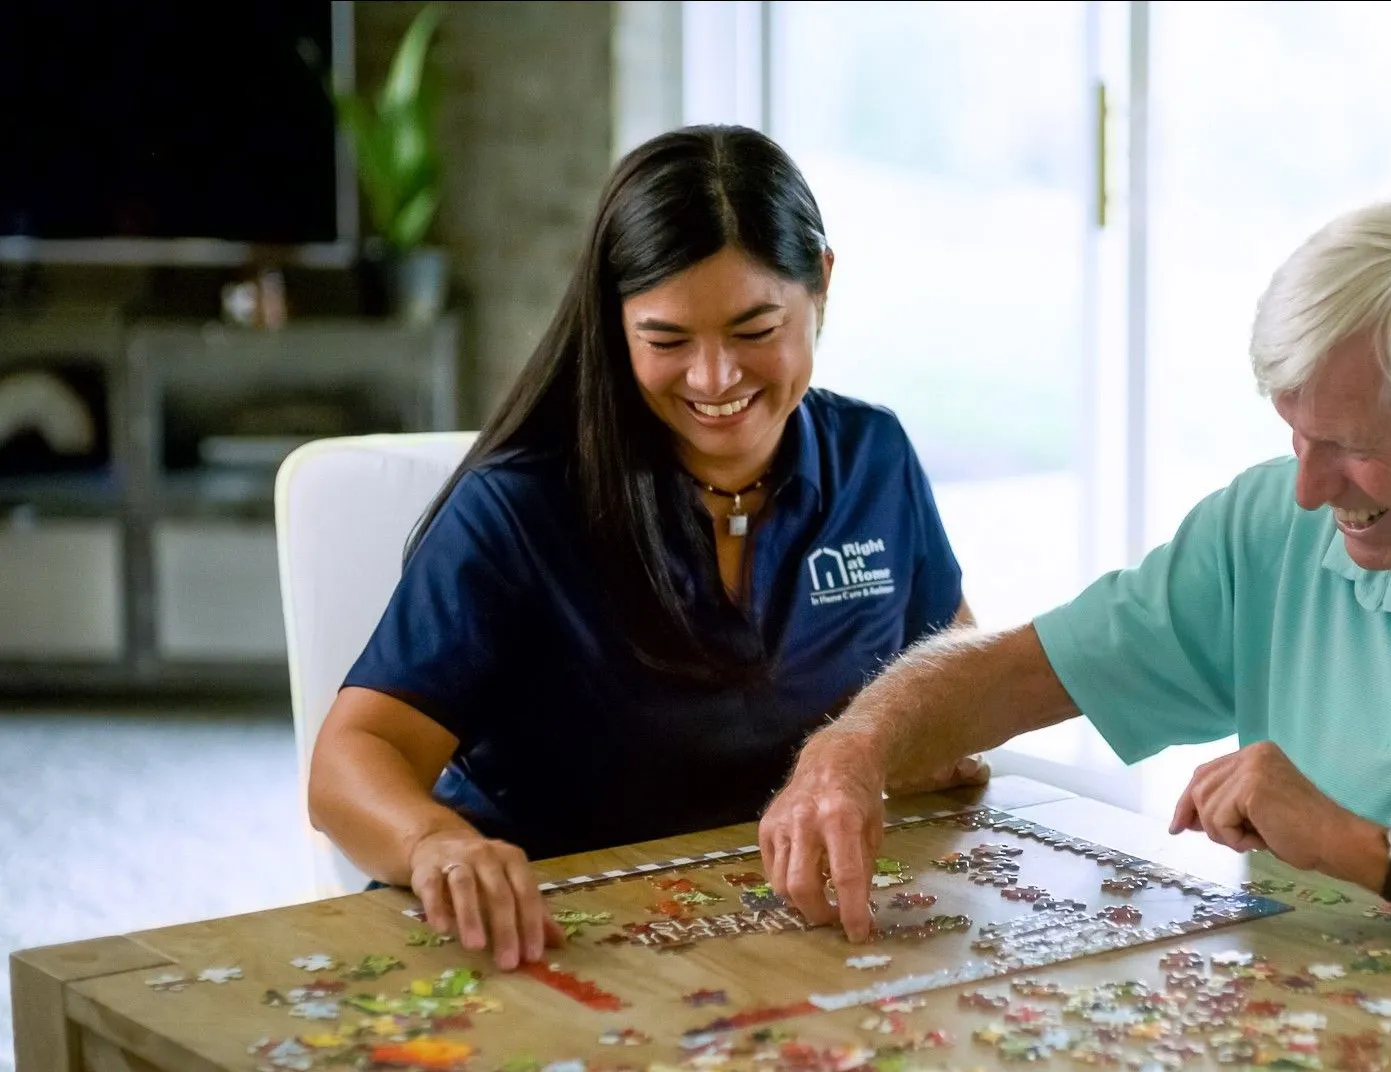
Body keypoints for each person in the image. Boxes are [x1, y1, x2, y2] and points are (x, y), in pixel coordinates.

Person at [760, 201, 1391, 997]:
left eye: (1354, 447)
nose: (1309, 488)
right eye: (1296, 433)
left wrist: (1369, 851)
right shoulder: (1271, 523)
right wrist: (853, 749)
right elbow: (1025, 667)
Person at [308, 126, 984, 971]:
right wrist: (434, 844)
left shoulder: (874, 459)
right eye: (666, 341)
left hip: (777, 925)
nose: (713, 378)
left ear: (821, 286)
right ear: (614, 324)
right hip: (551, 939)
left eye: (753, 329)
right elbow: (346, 764)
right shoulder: (518, 507)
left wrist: (912, 746)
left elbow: (952, 674)